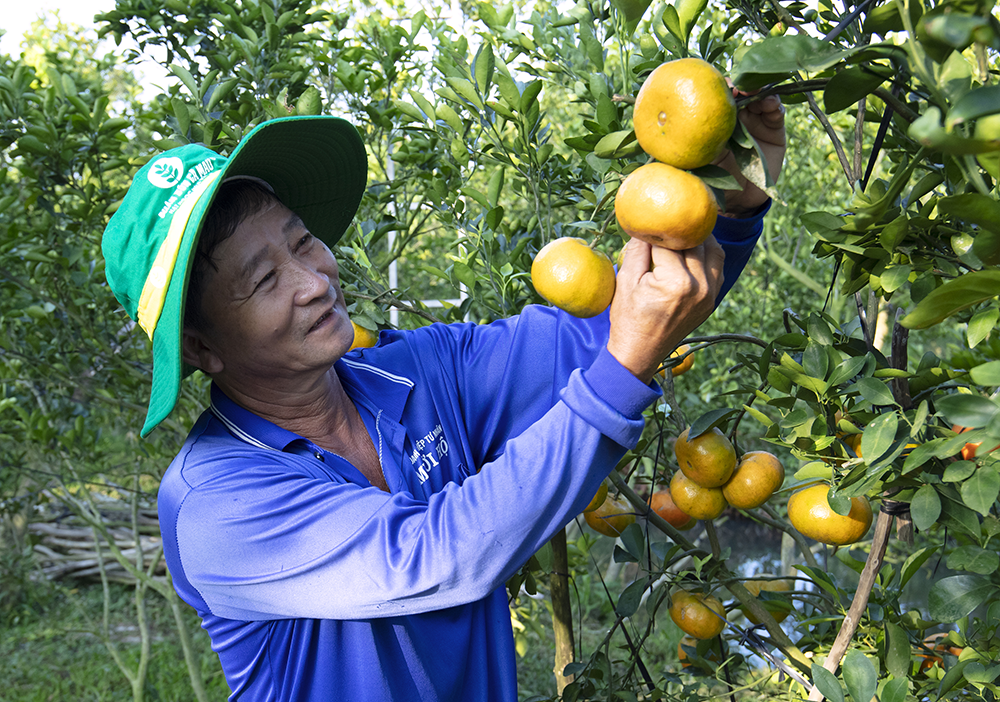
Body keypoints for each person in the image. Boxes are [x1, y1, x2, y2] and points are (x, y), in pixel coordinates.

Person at [101, 92, 784, 701]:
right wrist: (625, 359)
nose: (313, 281)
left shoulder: (418, 372)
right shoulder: (216, 506)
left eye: (302, 243)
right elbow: (438, 556)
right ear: (201, 348)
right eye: (261, 282)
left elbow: (616, 332)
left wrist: (725, 187)